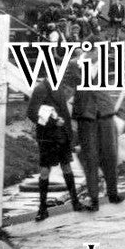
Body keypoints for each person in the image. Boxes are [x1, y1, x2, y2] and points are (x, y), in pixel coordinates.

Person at [70, 38, 123, 210]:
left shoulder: (104, 63)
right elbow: (66, 87)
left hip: (105, 113)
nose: (101, 53)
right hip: (86, 115)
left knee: (110, 154)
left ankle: (113, 193)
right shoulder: (74, 64)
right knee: (90, 157)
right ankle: (94, 199)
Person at [27, 67, 82, 218]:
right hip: (47, 136)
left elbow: (65, 113)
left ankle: (75, 202)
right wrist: (51, 121)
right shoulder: (41, 89)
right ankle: (42, 209)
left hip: (62, 135)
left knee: (66, 167)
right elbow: (31, 113)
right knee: (45, 170)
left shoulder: (59, 88)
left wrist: (70, 138)